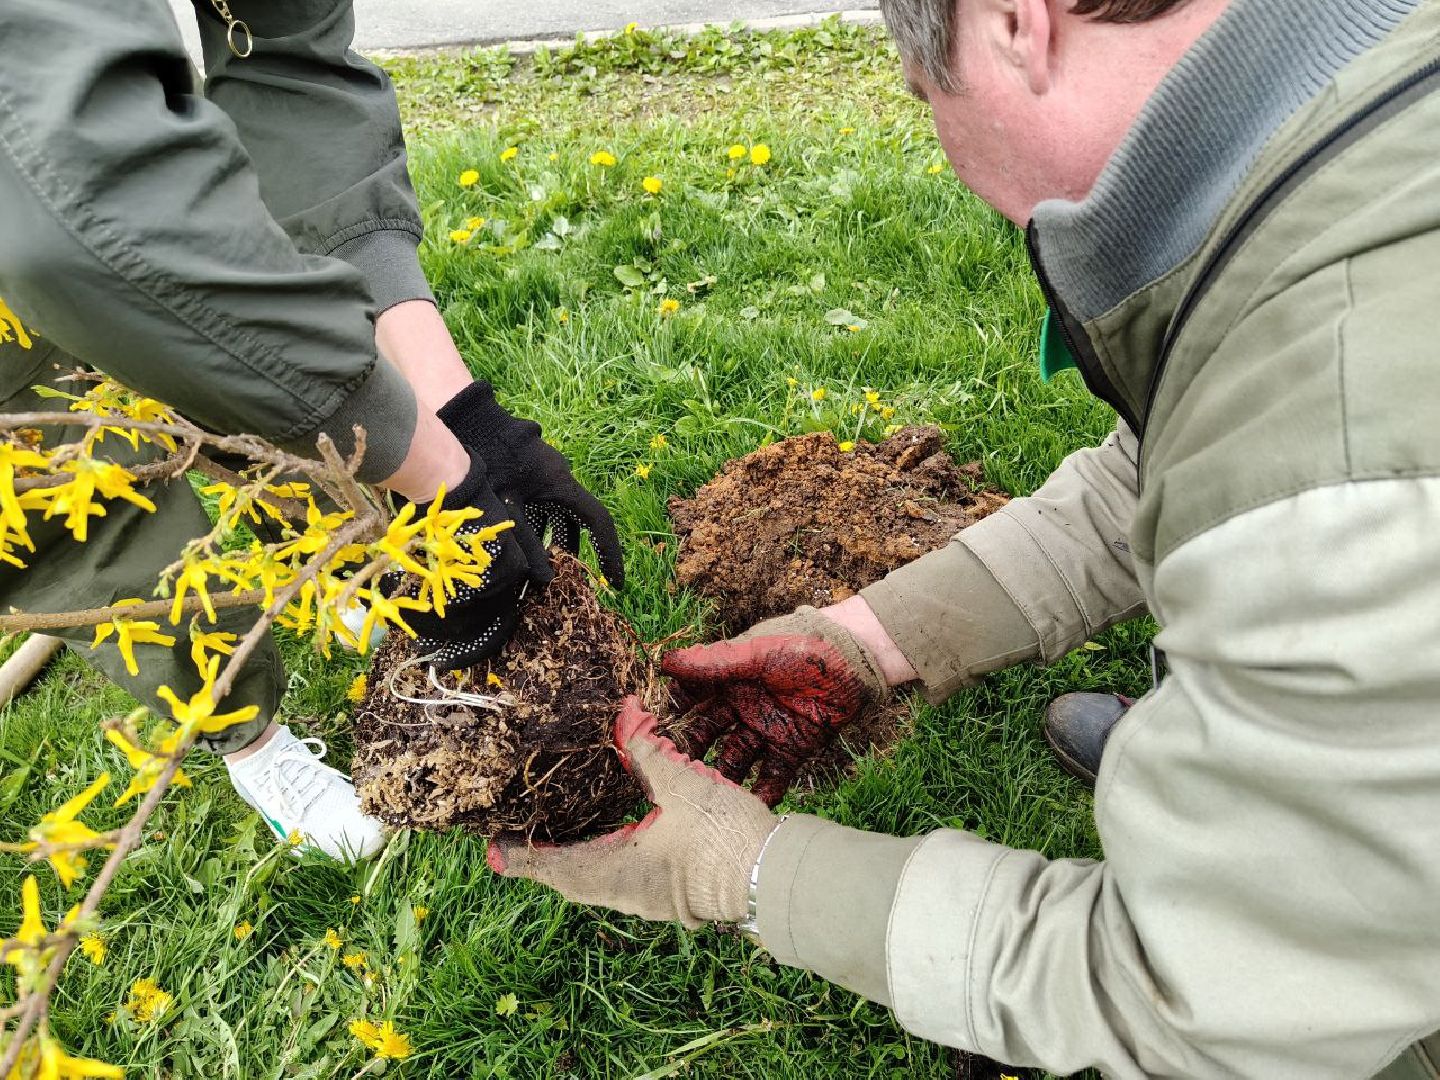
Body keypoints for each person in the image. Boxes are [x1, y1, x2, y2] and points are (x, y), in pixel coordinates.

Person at [488, 0, 1440, 1076]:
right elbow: (1179, 465)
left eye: (920, 88)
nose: (940, 144)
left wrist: (744, 872)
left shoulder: (1352, 466)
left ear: (1015, 22)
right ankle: (1264, 754)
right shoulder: (1356, 141)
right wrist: (873, 638)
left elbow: (1205, 996)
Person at [0, 1, 621, 860]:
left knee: (288, 422)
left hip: (66, 199)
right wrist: (449, 484)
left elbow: (290, 67)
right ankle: (246, 735)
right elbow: (74, 213)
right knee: (57, 482)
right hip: (35, 199)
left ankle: (329, 570)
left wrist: (463, 420)